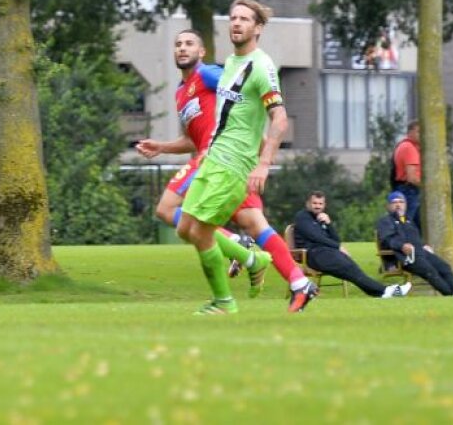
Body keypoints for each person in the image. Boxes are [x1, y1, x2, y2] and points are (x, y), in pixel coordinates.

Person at [137, 28, 315, 311]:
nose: (182, 48)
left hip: (220, 158)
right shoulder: (181, 93)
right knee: (254, 224)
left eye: (189, 43)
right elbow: (192, 139)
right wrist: (161, 147)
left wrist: (261, 153)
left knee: (168, 210)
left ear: (201, 52)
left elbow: (243, 99)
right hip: (220, 160)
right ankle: (294, 279)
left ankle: (235, 265)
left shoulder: (208, 74)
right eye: (178, 44)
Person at [292, 191, 410, 299]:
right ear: (308, 203)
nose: (317, 206)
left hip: (327, 252)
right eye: (314, 203)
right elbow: (315, 237)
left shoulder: (321, 218)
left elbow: (336, 240)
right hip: (313, 255)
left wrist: (329, 224)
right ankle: (385, 291)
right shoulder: (302, 217)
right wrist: (338, 247)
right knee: (350, 270)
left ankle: (383, 292)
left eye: (320, 203)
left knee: (353, 270)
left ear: (324, 205)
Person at [376, 191, 453, 297]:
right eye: (394, 202)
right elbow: (388, 240)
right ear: (388, 206)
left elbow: (415, 238)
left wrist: (423, 246)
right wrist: (402, 246)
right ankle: (450, 294)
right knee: (429, 271)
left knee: (444, 266)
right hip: (403, 257)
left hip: (419, 252)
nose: (398, 205)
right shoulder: (385, 221)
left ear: (405, 205)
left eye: (401, 202)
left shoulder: (408, 220)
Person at [390, 120, 422, 229]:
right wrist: (428, 187)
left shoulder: (402, 145)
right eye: (418, 132)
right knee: (405, 224)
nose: (421, 135)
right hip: (409, 190)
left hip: (403, 188)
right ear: (410, 132)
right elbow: (412, 178)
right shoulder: (409, 148)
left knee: (416, 225)